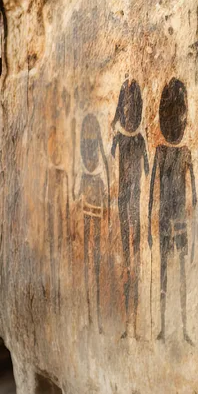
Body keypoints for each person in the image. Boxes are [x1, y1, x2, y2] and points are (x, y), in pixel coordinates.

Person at [149, 78, 196, 343]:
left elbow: (195, 195)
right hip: (167, 222)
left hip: (180, 222)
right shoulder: (160, 153)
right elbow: (153, 194)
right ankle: (165, 327)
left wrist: (196, 229)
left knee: (182, 279)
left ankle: (185, 327)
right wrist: (149, 223)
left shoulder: (185, 152)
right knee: (165, 278)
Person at [111, 79, 149, 336]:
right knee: (127, 264)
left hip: (134, 204)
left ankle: (134, 324)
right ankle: (128, 324)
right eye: (125, 104)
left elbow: (146, 170)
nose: (128, 110)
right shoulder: (120, 139)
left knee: (134, 263)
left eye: (132, 104)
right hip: (124, 204)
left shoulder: (139, 141)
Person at [76, 113, 111, 332]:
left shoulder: (96, 176)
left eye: (91, 144)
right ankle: (90, 314)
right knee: (89, 264)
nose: (89, 151)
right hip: (90, 213)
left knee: (95, 263)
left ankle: (95, 316)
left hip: (96, 214)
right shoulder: (89, 175)